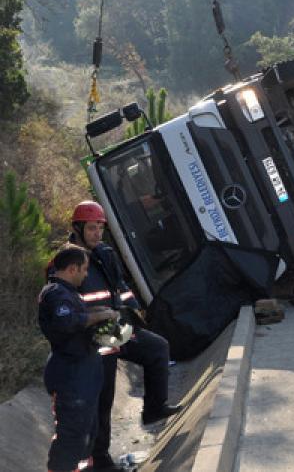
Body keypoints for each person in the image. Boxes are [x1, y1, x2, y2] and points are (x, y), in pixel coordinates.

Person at [69, 201, 181, 471]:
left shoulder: (105, 253)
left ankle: (154, 408)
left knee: (157, 348)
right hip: (91, 338)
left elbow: (120, 288)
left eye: (100, 228)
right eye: (92, 228)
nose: (97, 233)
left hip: (114, 329)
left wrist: (134, 315)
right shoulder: (66, 262)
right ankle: (100, 462)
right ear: (78, 228)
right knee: (102, 400)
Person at [39, 244, 119, 472]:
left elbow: (79, 316)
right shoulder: (55, 293)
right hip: (69, 376)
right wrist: (102, 314)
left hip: (83, 374)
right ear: (72, 269)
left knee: (87, 433)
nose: (86, 275)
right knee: (72, 437)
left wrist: (102, 315)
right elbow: (68, 322)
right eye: (84, 270)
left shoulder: (67, 292)